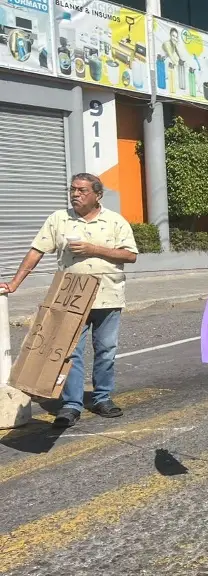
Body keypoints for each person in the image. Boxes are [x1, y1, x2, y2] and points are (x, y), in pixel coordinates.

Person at [0, 173, 138, 428]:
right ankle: (71, 404)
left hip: (108, 296)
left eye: (82, 190)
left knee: (106, 350)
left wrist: (93, 249)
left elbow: (130, 256)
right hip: (71, 298)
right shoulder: (59, 219)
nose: (75, 194)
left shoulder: (115, 221)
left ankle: (102, 398)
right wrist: (15, 283)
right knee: (68, 353)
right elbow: (36, 251)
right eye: (72, 189)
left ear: (97, 195)